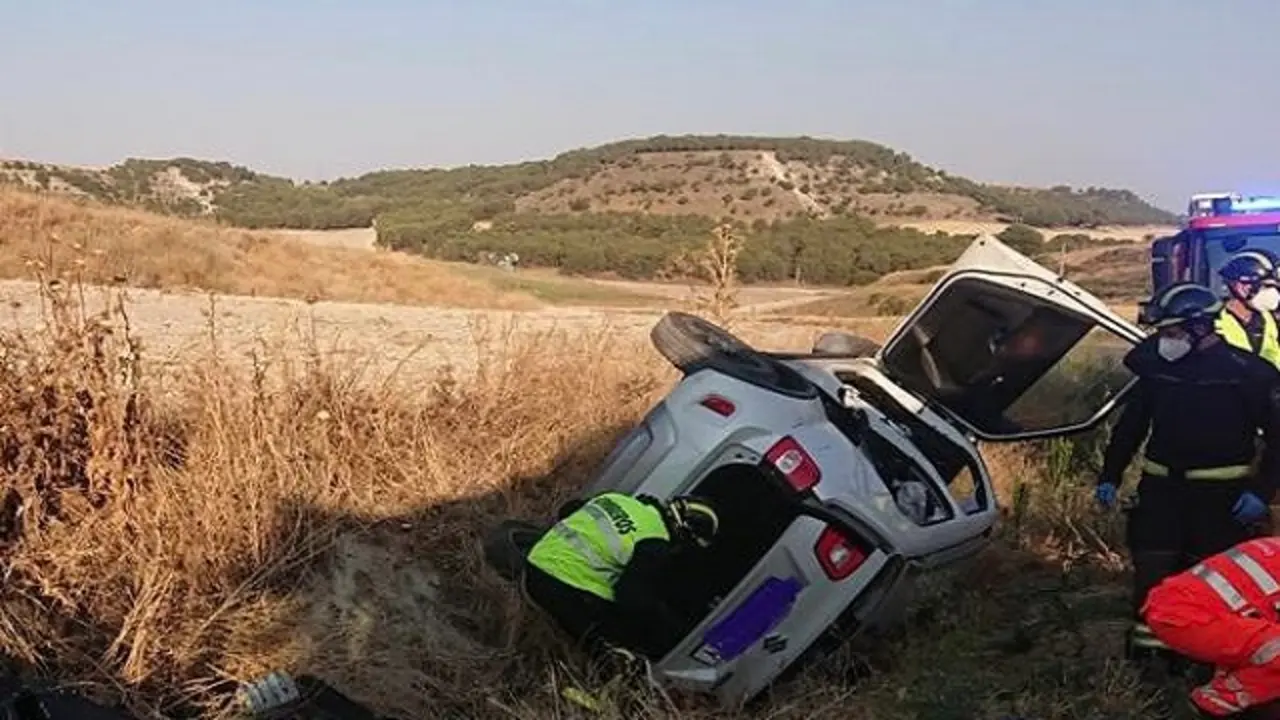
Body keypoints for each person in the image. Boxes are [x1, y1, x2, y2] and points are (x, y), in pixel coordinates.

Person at [1095, 281, 1280, 663]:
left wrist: (1261, 494)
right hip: (1160, 493)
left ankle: (1204, 664)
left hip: (1222, 502)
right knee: (1153, 579)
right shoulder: (1158, 369)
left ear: (1201, 328)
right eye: (1163, 333)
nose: (1166, 341)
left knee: (1212, 586)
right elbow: (1131, 428)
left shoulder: (1250, 374)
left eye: (1174, 332)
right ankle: (1149, 668)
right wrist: (1110, 476)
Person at [522, 491, 720, 659]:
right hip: (562, 585)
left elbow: (569, 509)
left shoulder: (618, 498)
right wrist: (667, 626)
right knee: (614, 649)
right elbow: (630, 598)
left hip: (534, 561)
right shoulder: (654, 541)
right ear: (683, 531)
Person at [1142, 535, 1280, 718]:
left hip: (1179, 604)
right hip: (1188, 616)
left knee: (1263, 644)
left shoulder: (1273, 545)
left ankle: (1228, 682)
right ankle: (1213, 702)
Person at [1216, 249, 1280, 370]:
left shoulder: (1269, 320)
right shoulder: (1216, 326)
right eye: (1267, 286)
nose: (1275, 293)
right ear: (1242, 287)